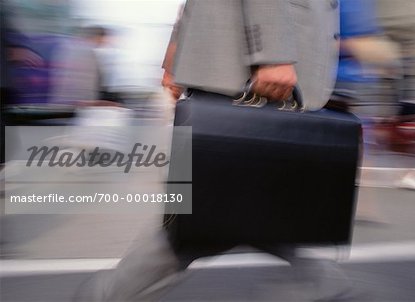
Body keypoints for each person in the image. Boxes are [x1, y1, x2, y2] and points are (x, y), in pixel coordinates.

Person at [75, 1, 351, 301]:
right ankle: (105, 295)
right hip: (250, 64)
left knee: (245, 200)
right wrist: (273, 55)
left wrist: (177, 49)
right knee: (204, 212)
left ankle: (314, 279)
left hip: (232, 60)